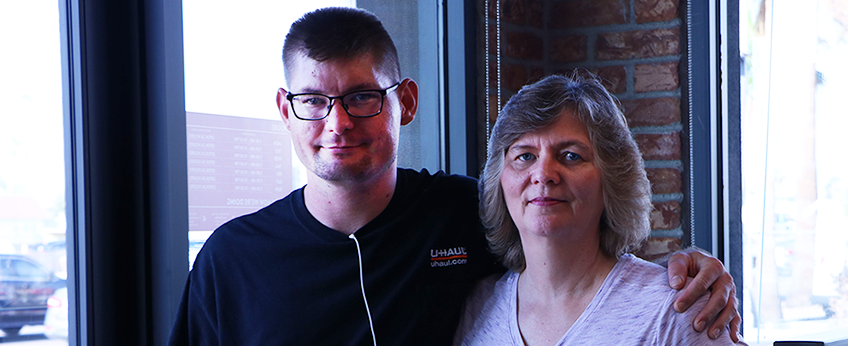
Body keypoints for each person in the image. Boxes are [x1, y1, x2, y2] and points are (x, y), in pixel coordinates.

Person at [169, 7, 740, 345]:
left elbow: (579, 258)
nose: (337, 123)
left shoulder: (463, 215)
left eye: (363, 97)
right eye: (313, 99)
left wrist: (688, 270)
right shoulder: (230, 260)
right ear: (284, 108)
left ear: (406, 102)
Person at [453, 74, 745, 345]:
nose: (543, 173)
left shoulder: (675, 312)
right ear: (499, 179)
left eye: (571, 156)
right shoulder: (474, 309)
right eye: (525, 156)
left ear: (612, 180)